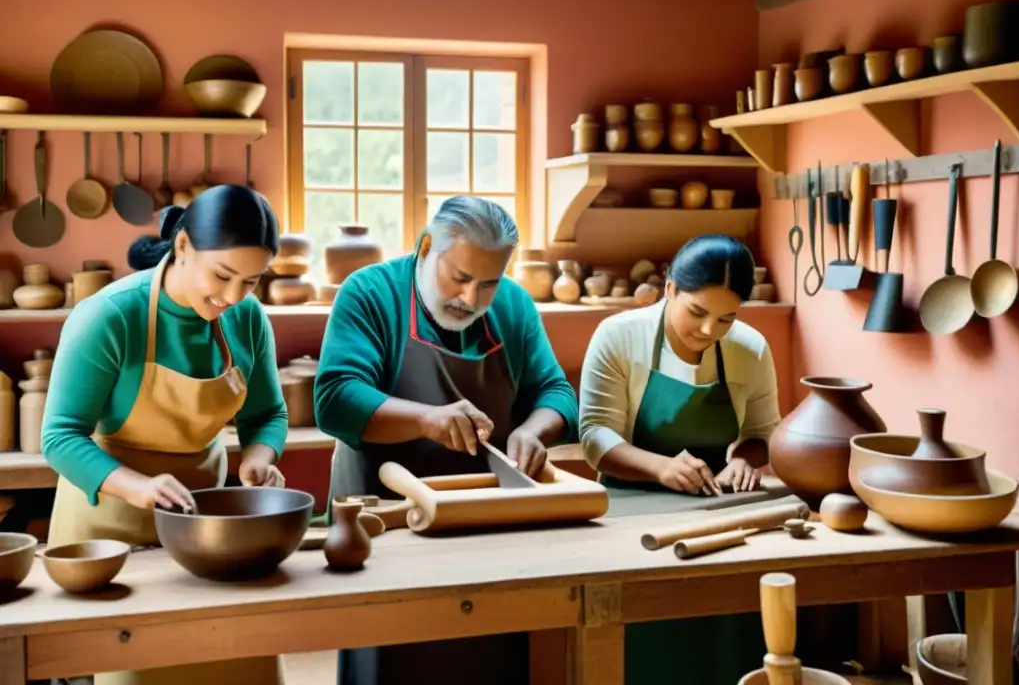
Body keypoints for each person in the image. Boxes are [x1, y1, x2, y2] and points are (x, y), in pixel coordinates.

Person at [315, 195, 578, 685]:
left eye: (488, 284)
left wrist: (533, 429)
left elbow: (557, 393)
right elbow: (334, 399)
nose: (472, 299)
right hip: (386, 527)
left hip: (486, 527)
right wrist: (426, 419)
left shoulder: (515, 306)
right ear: (427, 246)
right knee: (393, 664)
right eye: (459, 278)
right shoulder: (370, 293)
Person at [41, 185, 288, 685]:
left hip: (205, 524)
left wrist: (259, 456)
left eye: (252, 281)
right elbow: (60, 437)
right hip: (110, 525)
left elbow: (268, 413)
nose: (234, 297)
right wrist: (139, 488)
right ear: (181, 248)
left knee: (239, 657)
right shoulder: (109, 317)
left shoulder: (246, 317)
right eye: (222, 276)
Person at [578, 234, 781, 685]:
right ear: (669, 288)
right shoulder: (619, 335)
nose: (709, 330)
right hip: (629, 510)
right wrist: (661, 467)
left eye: (726, 317)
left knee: (725, 631)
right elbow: (594, 436)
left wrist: (745, 460)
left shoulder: (750, 349)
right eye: (697, 312)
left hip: (714, 511)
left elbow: (763, 433)